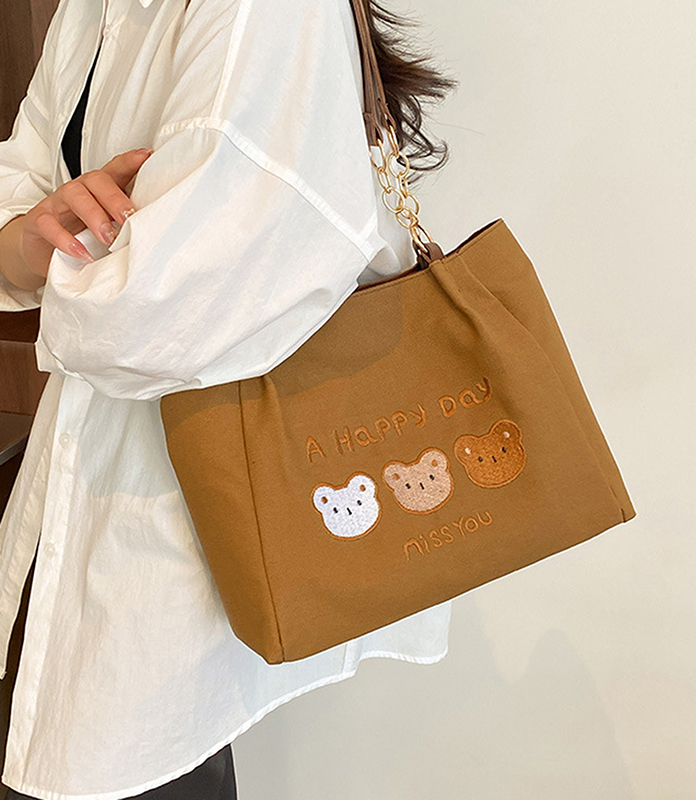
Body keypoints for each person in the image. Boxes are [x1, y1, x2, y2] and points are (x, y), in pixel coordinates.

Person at [0, 0, 458, 797]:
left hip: (179, 541)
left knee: (130, 755)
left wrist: (60, 264)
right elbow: (24, 194)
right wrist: (32, 246)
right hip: (81, 507)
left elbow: (159, 309)